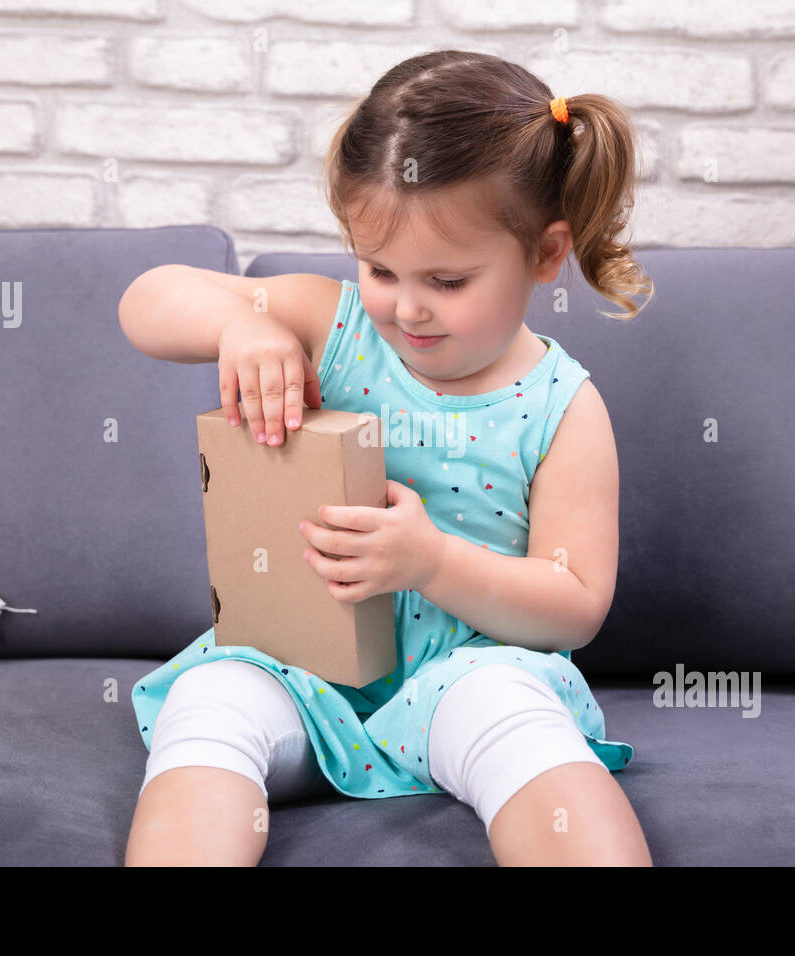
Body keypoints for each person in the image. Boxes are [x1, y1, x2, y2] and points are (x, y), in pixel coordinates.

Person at [119, 49, 655, 866]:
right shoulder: (338, 329)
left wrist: (431, 561)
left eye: (447, 279)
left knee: (517, 722)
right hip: (301, 668)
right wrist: (242, 326)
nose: (406, 308)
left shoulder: (561, 407)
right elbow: (146, 300)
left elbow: (573, 604)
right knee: (212, 700)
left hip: (466, 678)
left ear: (546, 256)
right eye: (378, 269)